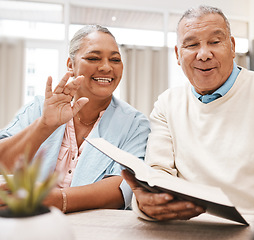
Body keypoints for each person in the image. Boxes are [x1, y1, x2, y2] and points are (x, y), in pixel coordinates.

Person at [123, 5, 254, 221]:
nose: (203, 54)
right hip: (191, 226)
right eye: (192, 44)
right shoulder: (167, 104)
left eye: (214, 42)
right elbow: (158, 172)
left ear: (231, 46)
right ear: (177, 54)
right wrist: (149, 202)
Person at [0, 25, 150, 213]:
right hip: (31, 223)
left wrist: (58, 199)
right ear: (71, 64)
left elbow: (125, 187)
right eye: (93, 58)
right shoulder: (40, 108)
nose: (106, 67)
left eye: (115, 60)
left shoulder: (135, 124)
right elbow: (3, 163)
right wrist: (44, 125)